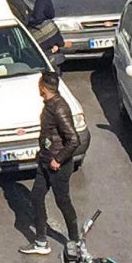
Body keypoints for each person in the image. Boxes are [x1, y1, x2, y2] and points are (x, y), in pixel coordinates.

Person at [20, 71, 87, 253]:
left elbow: (74, 139)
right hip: (45, 161)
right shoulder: (50, 105)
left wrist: (58, 158)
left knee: (63, 201)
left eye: (39, 84)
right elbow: (50, 134)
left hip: (58, 165)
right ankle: (41, 241)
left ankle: (76, 242)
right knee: (36, 197)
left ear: (43, 87)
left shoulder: (58, 107)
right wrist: (43, 152)